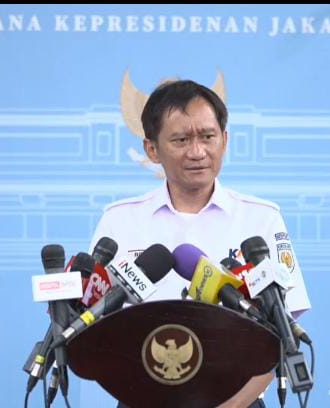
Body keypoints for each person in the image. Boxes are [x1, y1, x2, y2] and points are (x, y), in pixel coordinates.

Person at [89, 79, 311, 408]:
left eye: (208, 136)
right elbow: (92, 327)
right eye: (181, 140)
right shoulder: (119, 221)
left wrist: (231, 406)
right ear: (152, 149)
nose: (197, 152)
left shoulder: (260, 219)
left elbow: (281, 331)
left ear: (225, 139)